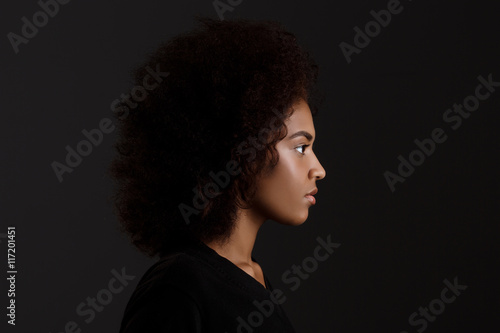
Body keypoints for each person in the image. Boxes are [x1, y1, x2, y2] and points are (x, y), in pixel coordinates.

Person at [108, 16, 326, 332]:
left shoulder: (253, 278)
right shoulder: (178, 289)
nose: (319, 169)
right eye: (301, 147)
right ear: (244, 152)